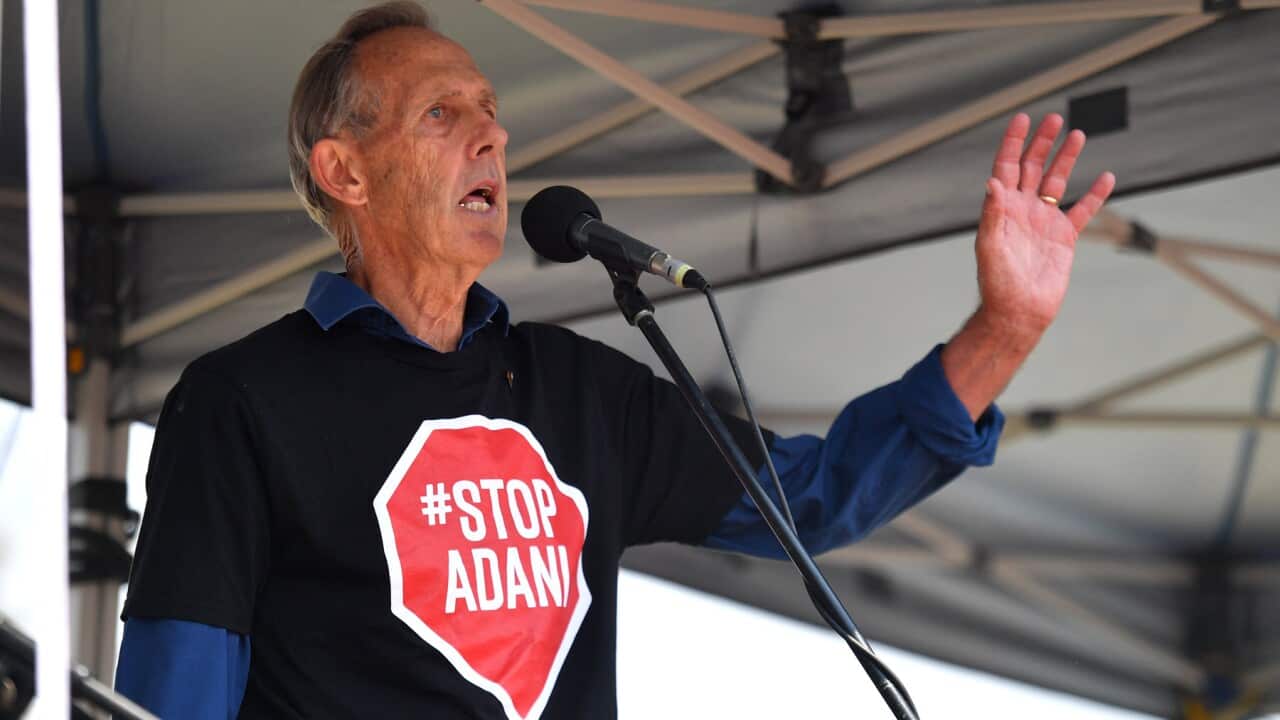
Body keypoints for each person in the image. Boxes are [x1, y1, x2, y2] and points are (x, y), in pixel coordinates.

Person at [114, 3, 1115, 719]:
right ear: (345, 171)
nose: (492, 134)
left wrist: (1003, 330)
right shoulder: (245, 402)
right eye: (441, 115)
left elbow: (812, 500)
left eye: (489, 109)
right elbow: (176, 686)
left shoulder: (578, 393)